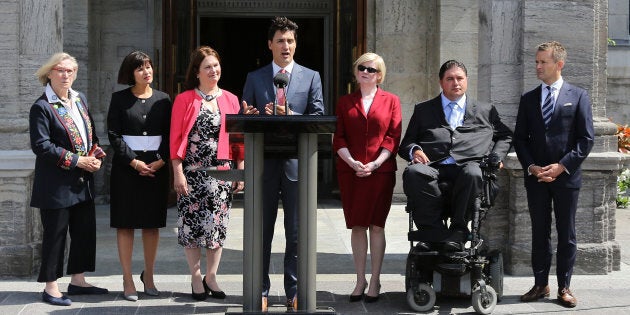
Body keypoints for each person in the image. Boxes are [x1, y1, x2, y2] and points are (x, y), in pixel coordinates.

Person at [241, 16, 324, 311]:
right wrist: (251, 116)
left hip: (296, 164)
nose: (286, 46)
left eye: (290, 41)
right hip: (263, 163)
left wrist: (290, 114)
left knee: (296, 233)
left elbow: (317, 118)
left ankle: (294, 292)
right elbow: (244, 117)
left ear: (295, 44)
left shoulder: (311, 76)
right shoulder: (255, 77)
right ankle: (260, 291)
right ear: (270, 45)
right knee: (261, 231)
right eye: (280, 41)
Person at [399, 60, 512, 251]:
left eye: (460, 78)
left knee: (474, 174)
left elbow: (506, 135)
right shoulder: (424, 110)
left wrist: (496, 156)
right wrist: (415, 150)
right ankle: (433, 233)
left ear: (467, 80)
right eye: (450, 79)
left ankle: (458, 231)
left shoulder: (485, 110)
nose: (456, 83)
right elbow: (406, 144)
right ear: (441, 82)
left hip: (468, 166)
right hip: (433, 166)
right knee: (413, 173)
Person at [514, 41, 594, 308]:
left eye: (542, 62)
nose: (537, 66)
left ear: (559, 64)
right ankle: (540, 284)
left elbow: (585, 140)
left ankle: (564, 287)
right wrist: (532, 167)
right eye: (536, 61)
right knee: (539, 231)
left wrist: (562, 166)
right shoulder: (528, 99)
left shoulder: (579, 95)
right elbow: (520, 140)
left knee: (566, 232)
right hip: (536, 177)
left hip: (566, 177)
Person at [29, 52, 109, 306]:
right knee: (55, 235)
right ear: (49, 73)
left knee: (84, 231)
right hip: (55, 184)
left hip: (82, 180)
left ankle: (78, 280)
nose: (65, 75)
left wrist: (95, 156)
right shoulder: (41, 106)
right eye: (60, 70)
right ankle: (51, 286)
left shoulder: (79, 99)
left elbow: (90, 134)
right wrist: (77, 161)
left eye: (70, 71)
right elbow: (41, 145)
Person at [170, 46, 244, 301]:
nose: (214, 71)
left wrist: (240, 170)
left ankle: (211, 276)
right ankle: (195, 277)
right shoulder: (185, 99)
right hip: (192, 172)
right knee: (191, 227)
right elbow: (175, 138)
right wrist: (177, 172)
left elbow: (237, 139)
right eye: (208, 67)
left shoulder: (231, 99)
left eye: (216, 65)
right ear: (197, 72)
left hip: (222, 173)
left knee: (217, 227)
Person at [333, 52, 401, 303]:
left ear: (379, 75)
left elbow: (393, 136)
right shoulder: (344, 102)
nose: (366, 72)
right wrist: (352, 161)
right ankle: (360, 279)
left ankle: (375, 279)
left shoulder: (392, 100)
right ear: (356, 71)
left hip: (380, 172)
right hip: (350, 172)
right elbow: (338, 136)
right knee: (357, 225)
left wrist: (374, 163)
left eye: (371, 69)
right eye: (362, 68)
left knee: (376, 225)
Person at [107, 51, 171, 301]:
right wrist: (133, 162)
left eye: (149, 67)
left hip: (156, 170)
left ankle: (150, 276)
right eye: (140, 68)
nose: (147, 72)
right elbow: (113, 134)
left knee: (151, 224)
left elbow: (170, 133)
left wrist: (160, 161)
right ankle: (127, 278)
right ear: (130, 73)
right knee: (125, 224)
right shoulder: (119, 99)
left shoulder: (164, 99)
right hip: (127, 170)